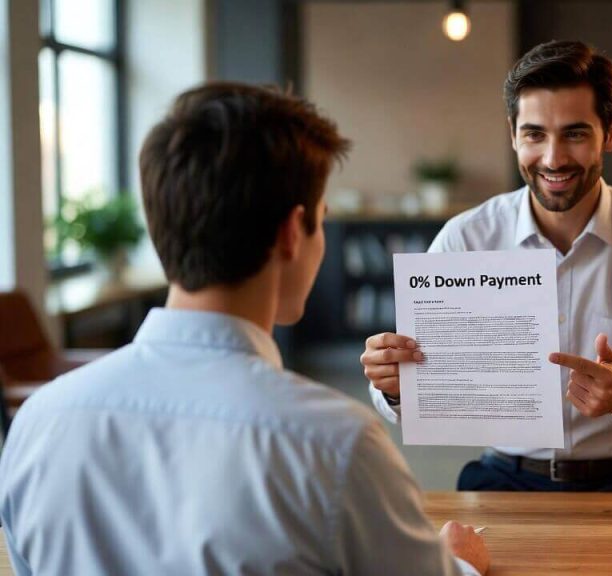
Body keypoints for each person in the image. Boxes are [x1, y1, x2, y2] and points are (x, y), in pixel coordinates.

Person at [0, 83, 489, 576]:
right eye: (321, 220)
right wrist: (460, 565)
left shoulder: (37, 424)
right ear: (292, 233)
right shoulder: (335, 444)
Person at [361, 40, 612, 492]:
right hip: (502, 477)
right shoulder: (465, 239)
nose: (552, 159)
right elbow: (410, 394)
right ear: (513, 133)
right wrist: (393, 382)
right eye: (535, 134)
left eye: (574, 133)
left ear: (611, 132)